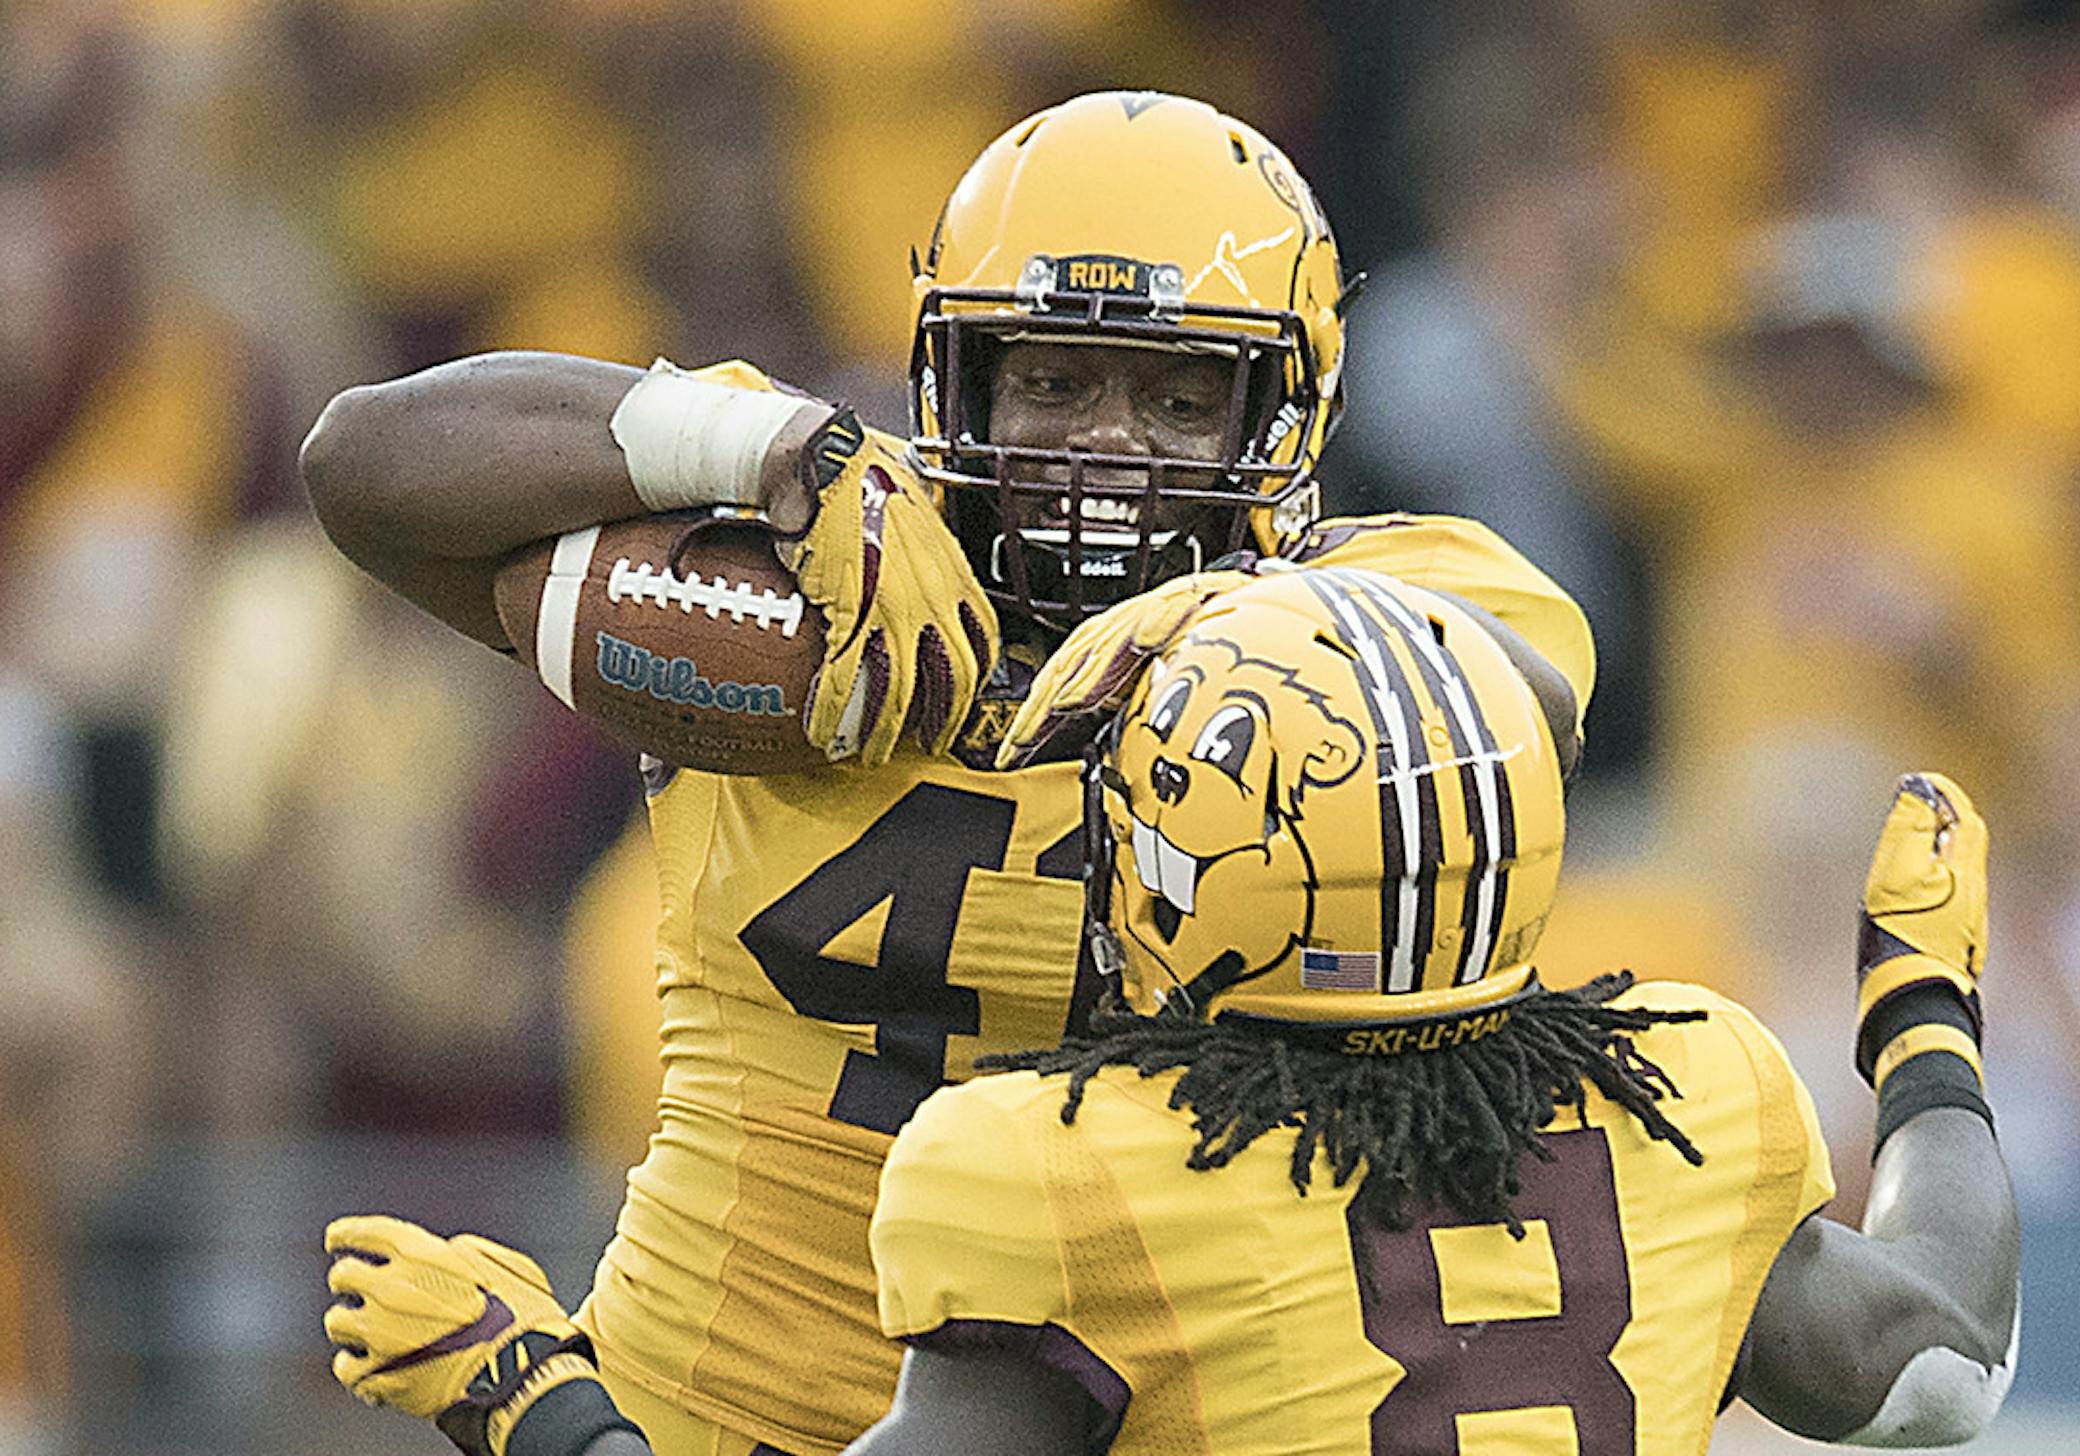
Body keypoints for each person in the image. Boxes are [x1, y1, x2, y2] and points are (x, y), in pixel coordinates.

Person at [304, 91, 1597, 1456]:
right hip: (703, 1395)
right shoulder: (813, 555)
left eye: (1176, 397)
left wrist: (1220, 647)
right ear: (957, 382)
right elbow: (361, 464)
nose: (1107, 442)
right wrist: (763, 447)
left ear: (1282, 412)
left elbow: (1538, 709)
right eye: (1052, 382)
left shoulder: (1389, 611)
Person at [323, 570, 2019, 1455]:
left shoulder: (1068, 1167)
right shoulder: (1693, 1088)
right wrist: (1925, 1024)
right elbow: (1947, 1369)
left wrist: (533, 1402)